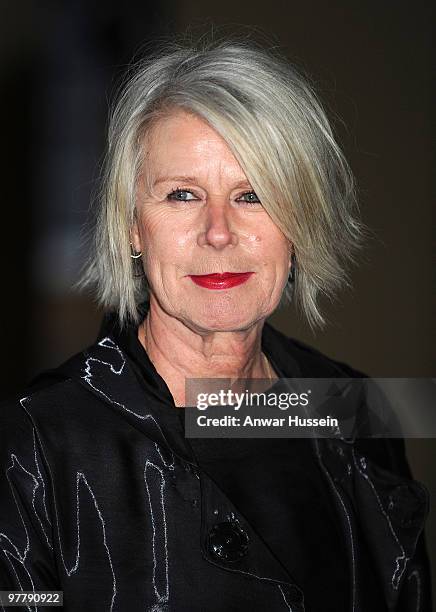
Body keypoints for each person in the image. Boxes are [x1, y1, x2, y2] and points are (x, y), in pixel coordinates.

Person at [0, 36, 431, 611]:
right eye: (182, 195)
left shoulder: (357, 408)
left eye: (253, 195)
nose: (219, 232)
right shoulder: (34, 445)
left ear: (299, 222)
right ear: (132, 226)